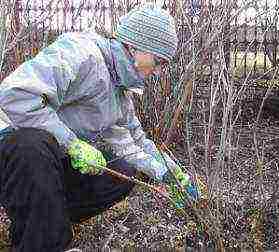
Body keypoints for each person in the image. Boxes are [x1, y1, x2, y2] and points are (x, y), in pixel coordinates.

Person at [0, 4, 200, 252]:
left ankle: (42, 221)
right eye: (158, 61)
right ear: (135, 47)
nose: (158, 71)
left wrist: (168, 173)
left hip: (42, 162)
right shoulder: (81, 55)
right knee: (32, 144)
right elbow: (14, 97)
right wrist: (71, 143)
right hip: (8, 147)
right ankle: (46, 242)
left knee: (121, 172)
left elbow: (133, 143)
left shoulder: (118, 91)